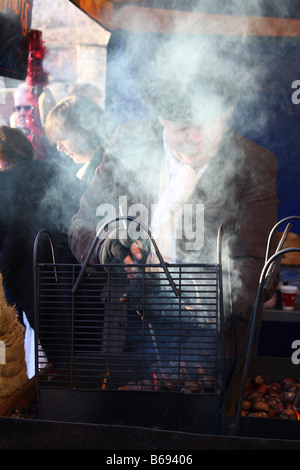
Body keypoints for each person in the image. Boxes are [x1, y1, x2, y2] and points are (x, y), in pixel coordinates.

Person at [68, 40, 279, 358]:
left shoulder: (253, 162)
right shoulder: (129, 141)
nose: (195, 138)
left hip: (212, 342)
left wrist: (197, 297)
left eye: (206, 124)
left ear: (226, 113)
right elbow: (81, 226)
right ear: (161, 118)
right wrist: (106, 247)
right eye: (182, 128)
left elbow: (257, 264)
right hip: (128, 335)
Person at [0, 125, 85, 371]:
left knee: (37, 362)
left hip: (23, 285)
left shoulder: (3, 182)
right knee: (73, 355)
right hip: (70, 276)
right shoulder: (57, 170)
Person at [45, 94, 113, 185]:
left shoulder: (109, 168)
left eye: (63, 138)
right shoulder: (89, 169)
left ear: (83, 129)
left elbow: (122, 199)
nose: (59, 147)